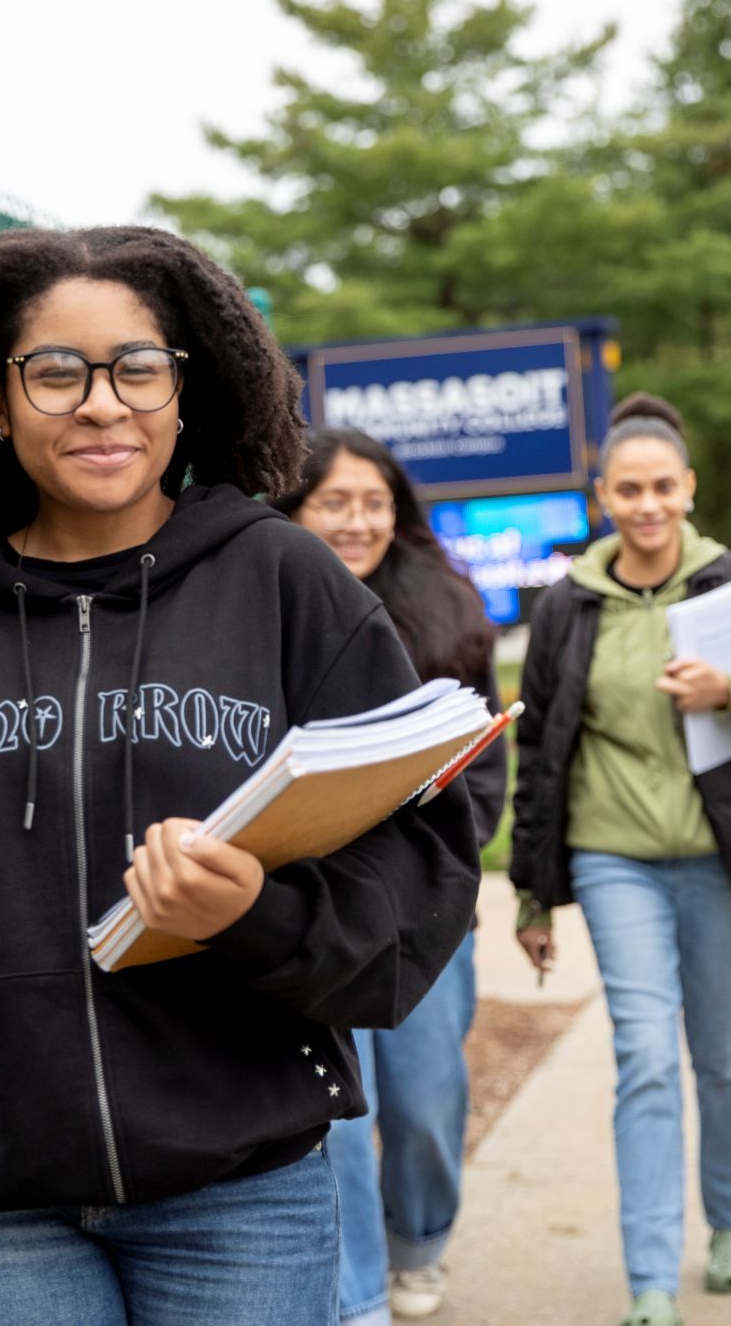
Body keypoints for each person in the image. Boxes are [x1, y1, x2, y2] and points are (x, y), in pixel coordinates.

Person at [0, 227, 481, 1326]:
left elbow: (421, 860)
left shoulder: (286, 583)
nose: (100, 402)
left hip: (238, 1189)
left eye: (136, 368)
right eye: (55, 371)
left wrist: (256, 914)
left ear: (183, 393)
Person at [509, 393, 731, 1326]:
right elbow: (542, 745)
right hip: (612, 855)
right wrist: (532, 893)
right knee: (645, 1056)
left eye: (662, 486)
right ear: (603, 493)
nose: (646, 505)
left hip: (720, 854)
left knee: (723, 1055)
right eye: (627, 488)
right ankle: (649, 1279)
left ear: (689, 488)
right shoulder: (567, 605)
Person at [272, 428, 509, 1325]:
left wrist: (436, 856)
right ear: (296, 510)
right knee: (337, 1116)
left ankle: (420, 1242)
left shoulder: (446, 608)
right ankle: (357, 1295)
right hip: (313, 912)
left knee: (423, 1101)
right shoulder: (265, 608)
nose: (358, 520)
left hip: (422, 911)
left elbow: (484, 771)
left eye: (374, 502)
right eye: (335, 501)